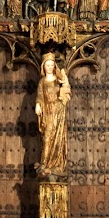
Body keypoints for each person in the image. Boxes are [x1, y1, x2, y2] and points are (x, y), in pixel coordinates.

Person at [35, 52, 70, 180]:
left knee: (58, 138)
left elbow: (66, 90)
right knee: (47, 137)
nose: (49, 67)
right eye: (47, 65)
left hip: (58, 111)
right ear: (44, 67)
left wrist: (64, 85)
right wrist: (38, 104)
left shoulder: (58, 80)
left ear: (54, 65)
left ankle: (57, 165)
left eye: (51, 65)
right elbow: (39, 96)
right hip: (48, 112)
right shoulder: (42, 81)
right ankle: (45, 163)